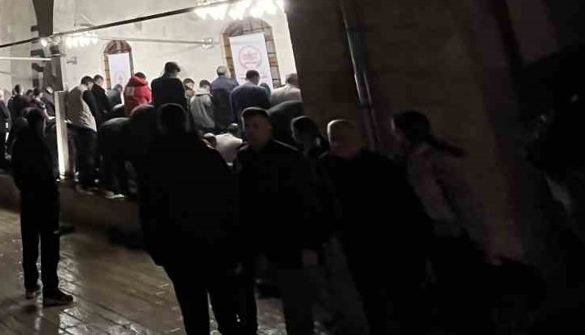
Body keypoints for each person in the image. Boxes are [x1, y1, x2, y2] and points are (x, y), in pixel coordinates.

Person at [140, 104, 243, 335]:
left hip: (177, 248)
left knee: (192, 308)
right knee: (225, 305)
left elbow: (149, 208)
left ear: (161, 126)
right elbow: (229, 200)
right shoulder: (206, 155)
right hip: (214, 243)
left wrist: (156, 247)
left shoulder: (154, 161)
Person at [322, 120, 430, 335]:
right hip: (381, 239)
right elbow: (407, 205)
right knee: (394, 297)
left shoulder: (327, 165)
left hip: (365, 240)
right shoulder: (379, 164)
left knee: (376, 296)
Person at [392, 110, 490, 330]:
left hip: (445, 233)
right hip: (443, 232)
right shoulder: (427, 157)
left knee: (458, 295)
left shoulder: (424, 160)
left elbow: (454, 200)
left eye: (396, 132)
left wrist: (475, 236)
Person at [235, 107, 322, 335]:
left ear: (268, 127)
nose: (251, 131)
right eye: (247, 126)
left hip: (287, 239)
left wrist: (309, 242)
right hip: (257, 238)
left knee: (295, 300)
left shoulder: (288, 157)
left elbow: (306, 201)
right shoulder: (244, 157)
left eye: (256, 126)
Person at [10, 108, 73, 306]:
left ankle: (31, 285)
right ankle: (51, 291)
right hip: (45, 204)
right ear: (40, 123)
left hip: (27, 201)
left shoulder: (19, 144)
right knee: (49, 248)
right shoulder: (40, 144)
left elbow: (16, 173)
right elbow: (47, 174)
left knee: (29, 245)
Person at [64, 76, 98, 188]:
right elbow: (94, 109)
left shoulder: (73, 92)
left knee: (81, 154)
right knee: (89, 154)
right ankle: (89, 181)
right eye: (92, 85)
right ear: (88, 83)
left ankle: (82, 178)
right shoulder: (85, 91)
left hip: (75, 126)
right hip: (87, 126)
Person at [209, 65, 239, 132]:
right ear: (226, 72)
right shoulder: (233, 83)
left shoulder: (213, 84)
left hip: (218, 117)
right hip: (232, 115)